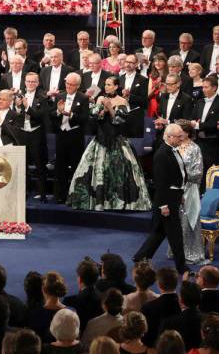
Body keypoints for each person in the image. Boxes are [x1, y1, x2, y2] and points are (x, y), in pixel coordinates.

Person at [66, 76, 152, 211]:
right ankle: (98, 202)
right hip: (100, 140)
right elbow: (93, 117)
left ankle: (118, 203)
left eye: (109, 84)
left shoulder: (123, 101)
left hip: (117, 141)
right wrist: (102, 110)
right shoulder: (100, 98)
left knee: (118, 173)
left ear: (116, 87)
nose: (106, 87)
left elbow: (120, 121)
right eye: (105, 84)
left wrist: (110, 108)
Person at [134, 124, 189, 273]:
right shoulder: (161, 155)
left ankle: (140, 257)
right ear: (169, 137)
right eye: (179, 136)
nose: (181, 139)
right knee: (176, 236)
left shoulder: (173, 150)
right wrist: (163, 205)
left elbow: (178, 174)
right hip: (166, 201)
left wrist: (180, 194)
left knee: (159, 232)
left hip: (173, 197)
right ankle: (182, 268)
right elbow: (161, 183)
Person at [177, 123, 206, 265]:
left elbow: (198, 171)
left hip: (190, 188)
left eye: (180, 131)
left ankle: (192, 253)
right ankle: (178, 251)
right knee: (177, 222)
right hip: (176, 188)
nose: (177, 133)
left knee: (189, 221)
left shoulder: (195, 148)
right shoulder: (175, 146)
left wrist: (182, 176)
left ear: (187, 133)